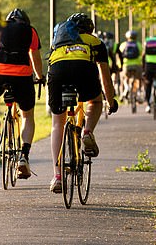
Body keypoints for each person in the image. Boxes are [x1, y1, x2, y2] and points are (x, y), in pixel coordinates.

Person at [46, 13, 118, 193]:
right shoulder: (95, 42)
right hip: (83, 70)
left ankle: (57, 176)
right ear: (90, 29)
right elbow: (105, 78)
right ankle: (87, 132)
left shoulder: (58, 40)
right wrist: (110, 101)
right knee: (95, 102)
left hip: (58, 71)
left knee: (57, 123)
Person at [0, 8, 44, 179]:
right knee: (27, 116)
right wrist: (39, 77)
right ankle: (24, 156)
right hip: (22, 75)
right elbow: (35, 56)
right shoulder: (30, 30)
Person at [118, 30, 143, 104]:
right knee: (139, 79)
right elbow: (141, 54)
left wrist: (120, 66)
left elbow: (120, 56)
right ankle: (138, 93)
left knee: (125, 78)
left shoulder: (123, 45)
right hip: (137, 65)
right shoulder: (138, 44)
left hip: (126, 65)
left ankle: (126, 88)